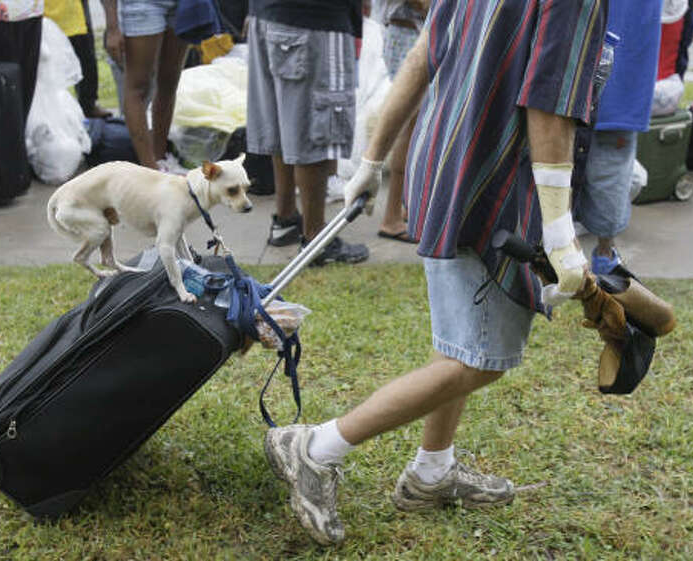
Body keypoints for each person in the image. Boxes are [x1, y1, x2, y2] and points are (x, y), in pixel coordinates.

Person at [263, 0, 606, 545]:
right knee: (483, 359)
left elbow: (425, 49)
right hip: (490, 187)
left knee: (460, 344)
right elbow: (550, 103)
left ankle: (431, 472)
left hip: (442, 162)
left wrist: (374, 158)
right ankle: (317, 447)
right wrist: (562, 233)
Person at [248, 0, 369, 265]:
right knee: (317, 129)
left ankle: (286, 220)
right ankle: (316, 240)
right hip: (315, 19)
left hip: (267, 14)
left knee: (284, 120)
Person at [575, 0, 662, 275]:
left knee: (605, 165)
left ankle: (600, 253)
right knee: (608, 168)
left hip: (619, 70)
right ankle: (602, 253)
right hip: (616, 67)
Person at [102, 0, 187, 171]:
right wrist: (112, 27)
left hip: (183, 5)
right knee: (138, 87)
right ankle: (149, 170)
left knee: (169, 83)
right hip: (143, 4)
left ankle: (161, 160)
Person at [374, 0, 427, 243]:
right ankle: (392, 217)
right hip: (408, 33)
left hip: (412, 32)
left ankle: (406, 207)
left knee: (419, 127)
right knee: (410, 127)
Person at [46, 0, 111, 118]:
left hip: (74, 14)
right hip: (44, 16)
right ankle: (51, 111)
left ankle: (88, 106)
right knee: (47, 67)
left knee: (86, 61)